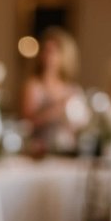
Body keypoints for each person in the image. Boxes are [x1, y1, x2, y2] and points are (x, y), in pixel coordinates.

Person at [20, 26, 85, 155]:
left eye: (54, 51)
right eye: (46, 51)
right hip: (41, 150)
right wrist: (58, 108)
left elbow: (80, 125)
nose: (49, 56)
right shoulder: (33, 86)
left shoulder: (72, 89)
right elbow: (26, 124)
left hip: (68, 149)